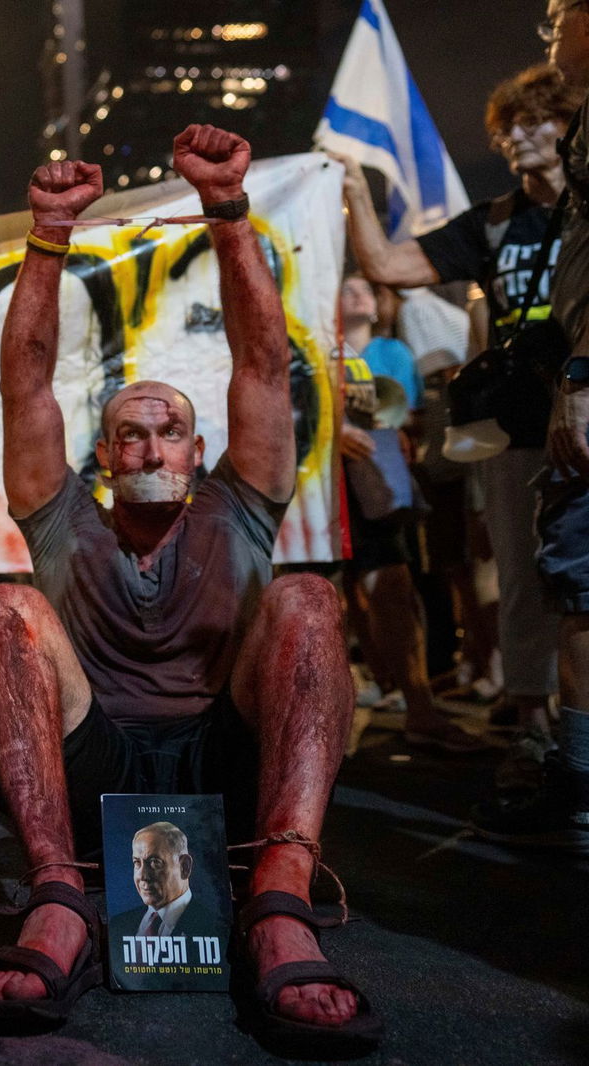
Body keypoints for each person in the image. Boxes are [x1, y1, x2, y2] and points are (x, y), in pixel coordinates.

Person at [0, 125, 382, 1054]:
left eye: (172, 432)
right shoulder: (62, 517)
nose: (153, 447)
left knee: (307, 599)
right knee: (5, 610)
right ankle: (58, 897)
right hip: (95, 760)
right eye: (132, 435)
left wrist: (227, 209)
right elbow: (23, 380)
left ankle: (280, 902)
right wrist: (48, 233)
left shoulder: (237, 507)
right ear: (102, 456)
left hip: (225, 762)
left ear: (198, 451)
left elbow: (265, 365)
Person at [337, 65, 579, 769]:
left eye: (537, 120)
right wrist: (356, 188)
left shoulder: (586, 216)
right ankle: (533, 723)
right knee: (520, 570)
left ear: (571, 128)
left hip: (584, 412)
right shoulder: (493, 222)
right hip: (518, 430)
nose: (518, 136)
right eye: (507, 126)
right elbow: (386, 263)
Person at [469, 0, 589, 849]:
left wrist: (580, 374)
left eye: (560, 14)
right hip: (534, 414)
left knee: (577, 590)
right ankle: (566, 768)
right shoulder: (497, 219)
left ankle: (578, 790)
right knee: (555, 585)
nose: (550, 31)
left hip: (581, 392)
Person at [336, 276, 487, 752]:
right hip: (322, 480)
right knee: (339, 597)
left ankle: (417, 704)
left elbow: (409, 411)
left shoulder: (384, 350)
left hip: (372, 476)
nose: (357, 295)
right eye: (347, 288)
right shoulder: (314, 340)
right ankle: (361, 702)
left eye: (365, 288)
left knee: (393, 585)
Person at [112, 822, 219, 941]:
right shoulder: (118, 926)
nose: (142, 876)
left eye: (155, 862)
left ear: (184, 866)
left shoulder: (215, 928)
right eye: (137, 863)